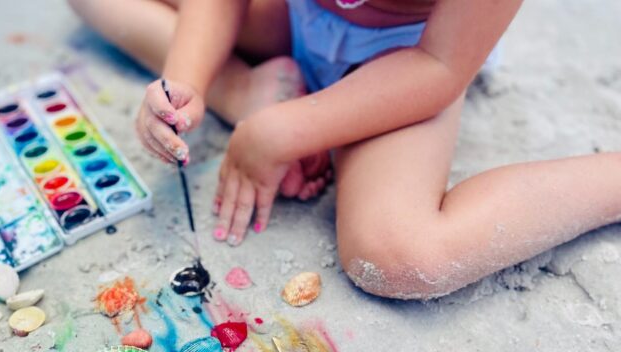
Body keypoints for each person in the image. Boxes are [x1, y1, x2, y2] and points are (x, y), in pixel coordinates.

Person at [68, 0, 621, 300]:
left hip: (403, 61)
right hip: (296, 14)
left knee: (399, 254)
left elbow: (440, 68)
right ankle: (242, 89)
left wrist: (288, 130)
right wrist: (186, 82)